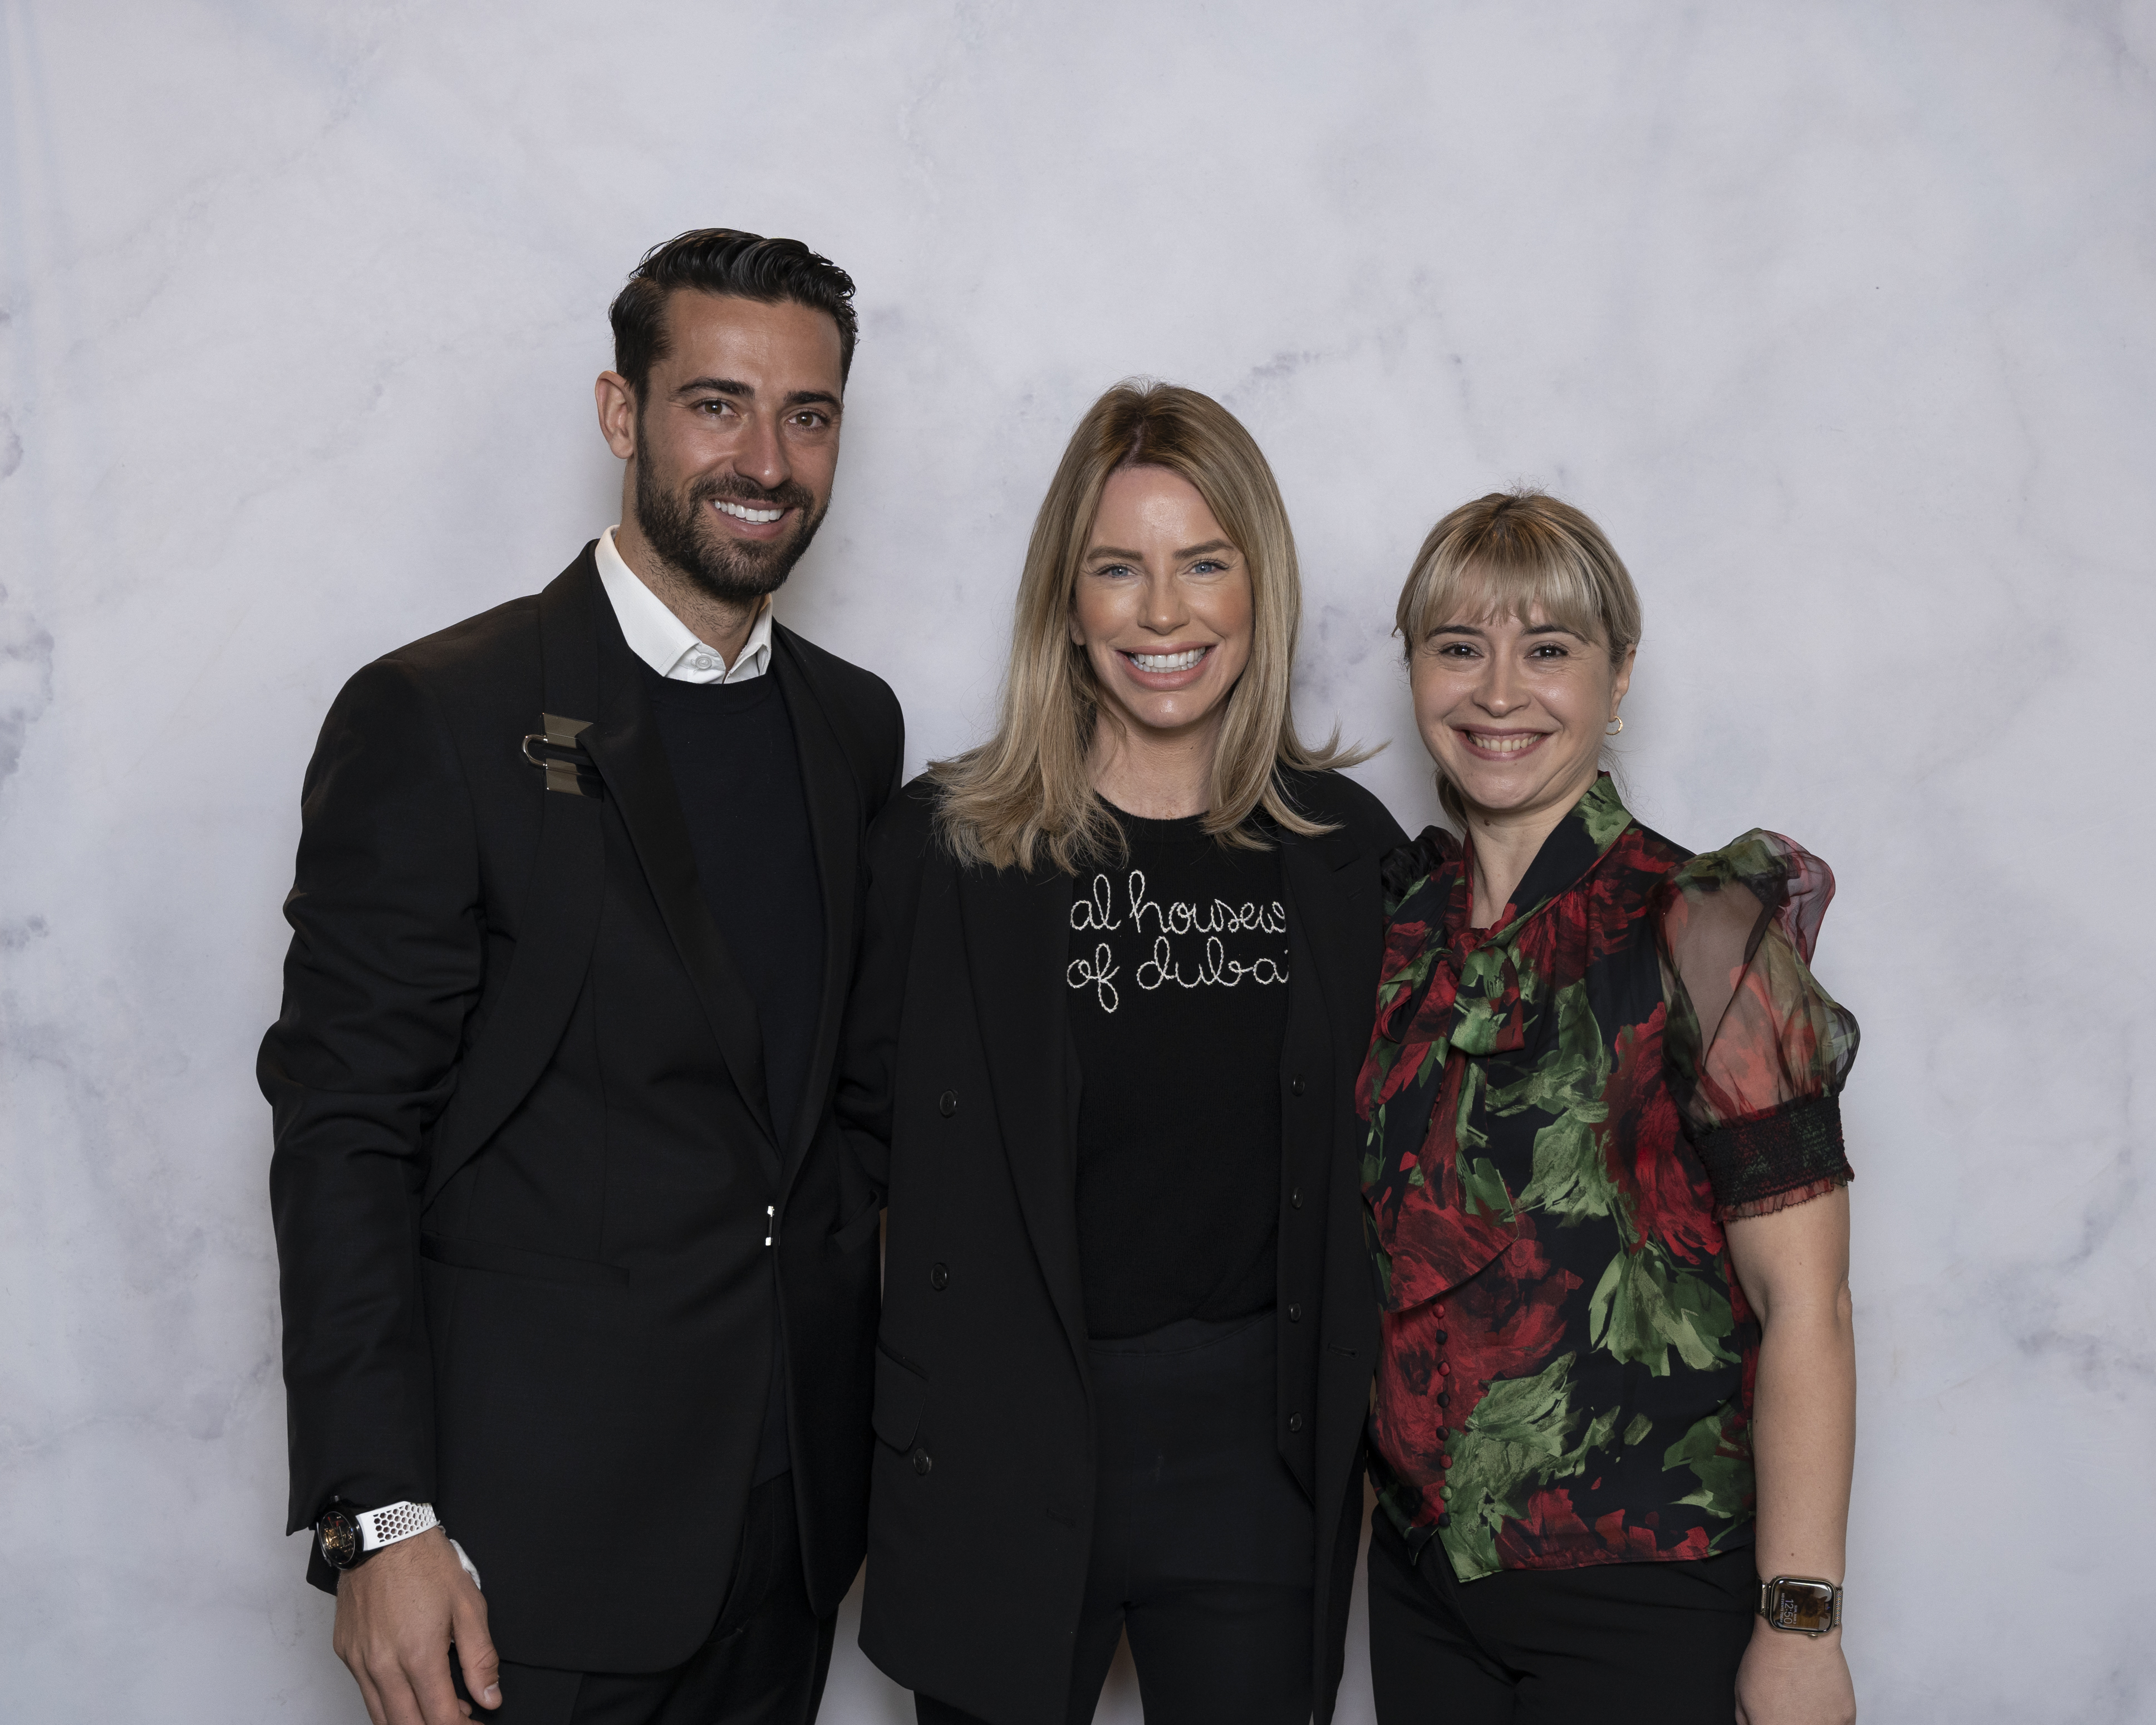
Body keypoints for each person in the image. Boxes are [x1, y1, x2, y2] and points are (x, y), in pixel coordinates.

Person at [261, 228, 903, 1725]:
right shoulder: (438, 715)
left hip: (788, 1539)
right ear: (623, 413)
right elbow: (346, 1128)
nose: (766, 460)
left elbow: (837, 1109)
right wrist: (379, 1519)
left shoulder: (853, 727)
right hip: (519, 1555)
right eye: (716, 404)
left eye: (806, 415)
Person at [834, 380, 1406, 1725]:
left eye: (1203, 564)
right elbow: (846, 1173)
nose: (1161, 613)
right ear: (1065, 598)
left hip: (1257, 1464)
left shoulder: (1348, 858)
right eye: (1116, 568)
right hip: (995, 1439)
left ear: (1259, 588)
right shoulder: (940, 851)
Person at [1357, 489, 1860, 1725]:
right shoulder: (1393, 932)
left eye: (1546, 649)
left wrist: (1800, 1626)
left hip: (1643, 1586)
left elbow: (1808, 1304)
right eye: (1458, 647)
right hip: (1422, 1585)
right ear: (1413, 667)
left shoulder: (1703, 932)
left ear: (1618, 674)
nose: (1498, 692)